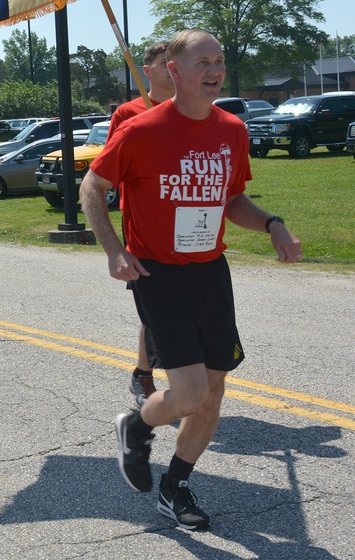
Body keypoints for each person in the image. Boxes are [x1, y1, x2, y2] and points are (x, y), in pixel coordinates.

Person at [80, 29, 302, 531]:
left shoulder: (231, 130)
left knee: (215, 391)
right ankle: (137, 427)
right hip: (157, 274)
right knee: (189, 394)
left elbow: (232, 200)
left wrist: (272, 224)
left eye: (219, 61)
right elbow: (92, 186)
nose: (214, 70)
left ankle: (175, 483)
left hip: (210, 272)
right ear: (173, 71)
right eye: (202, 61)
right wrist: (114, 251)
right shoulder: (140, 130)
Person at [92, 41, 176, 408]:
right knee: (158, 305)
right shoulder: (129, 113)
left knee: (181, 303)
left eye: (176, 62)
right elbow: (110, 170)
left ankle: (178, 378)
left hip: (189, 224)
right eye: (163, 62)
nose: (172, 67)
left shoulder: (192, 109)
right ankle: (145, 374)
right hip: (144, 222)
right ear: (147, 71)